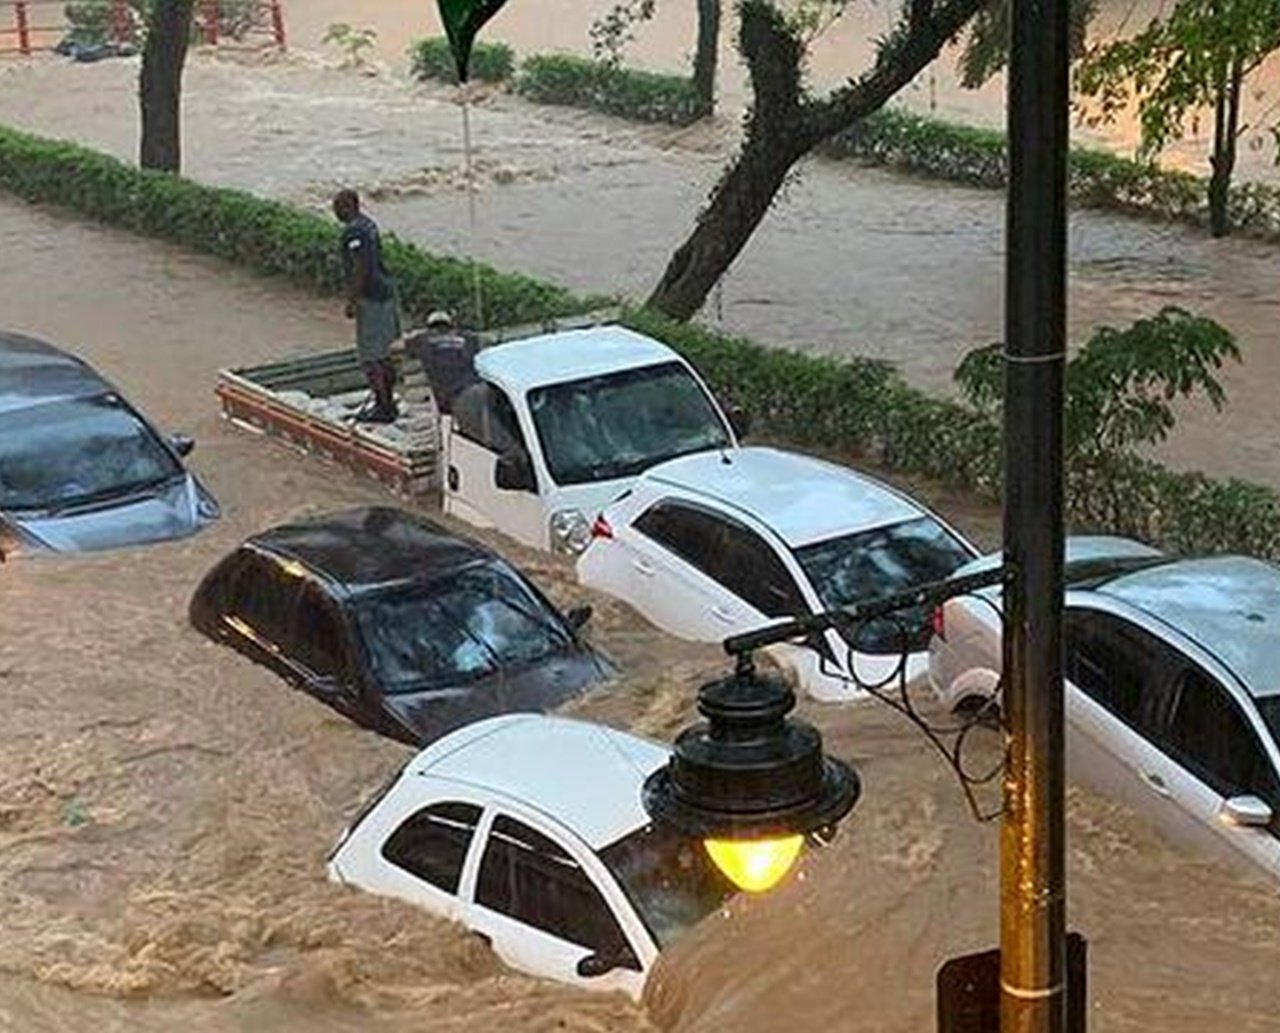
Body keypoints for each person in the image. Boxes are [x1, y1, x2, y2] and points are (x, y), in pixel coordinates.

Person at [333, 189, 401, 424]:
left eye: (337, 207)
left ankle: (384, 407)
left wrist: (353, 299)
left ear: (348, 206)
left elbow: (360, 266)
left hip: (372, 298)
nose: (335, 212)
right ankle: (388, 402)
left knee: (372, 356)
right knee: (385, 351)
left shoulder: (354, 231)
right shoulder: (368, 224)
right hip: (386, 292)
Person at [406, 310, 479, 416]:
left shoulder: (422, 339)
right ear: (450, 325)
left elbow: (393, 348)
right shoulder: (467, 337)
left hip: (444, 396)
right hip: (472, 387)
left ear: (429, 326)